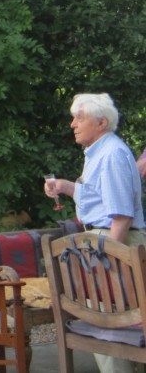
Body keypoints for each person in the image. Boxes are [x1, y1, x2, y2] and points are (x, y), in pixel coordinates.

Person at [44, 93, 145, 373]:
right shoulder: (100, 152)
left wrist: (107, 256)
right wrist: (65, 186)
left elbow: (121, 213)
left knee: (111, 323)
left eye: (80, 118)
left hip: (116, 242)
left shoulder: (111, 154)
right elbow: (100, 198)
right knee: (105, 322)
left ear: (101, 123)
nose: (73, 124)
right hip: (107, 242)